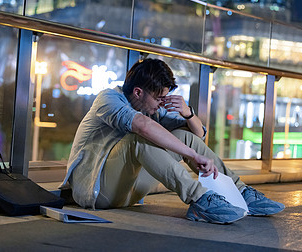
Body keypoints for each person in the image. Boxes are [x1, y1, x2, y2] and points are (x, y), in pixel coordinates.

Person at [61, 58, 284, 224]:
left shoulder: (151, 110)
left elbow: (197, 136)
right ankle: (199, 200)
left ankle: (240, 192)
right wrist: (193, 156)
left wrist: (188, 114)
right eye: (158, 98)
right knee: (138, 138)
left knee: (183, 135)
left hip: (130, 193)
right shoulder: (108, 99)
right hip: (95, 191)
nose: (160, 104)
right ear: (138, 92)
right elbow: (142, 127)